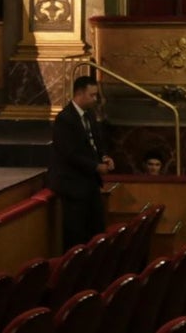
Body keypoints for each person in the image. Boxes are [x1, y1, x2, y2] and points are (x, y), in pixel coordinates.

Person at [48, 75, 114, 250]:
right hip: (73, 185)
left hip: (90, 183)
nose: (95, 99)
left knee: (96, 231)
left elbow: (96, 142)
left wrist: (104, 157)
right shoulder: (65, 118)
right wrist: (95, 166)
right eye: (92, 95)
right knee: (76, 235)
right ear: (79, 94)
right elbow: (69, 154)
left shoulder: (89, 115)